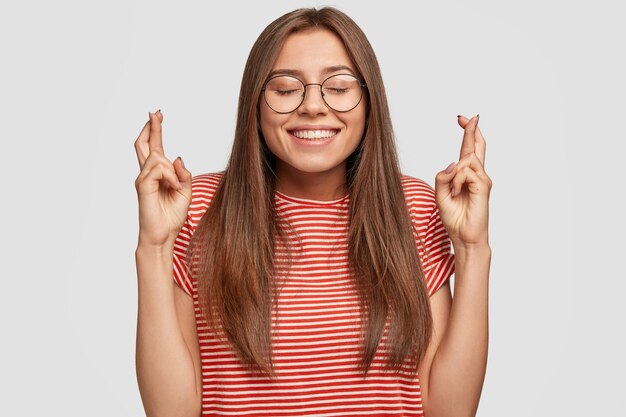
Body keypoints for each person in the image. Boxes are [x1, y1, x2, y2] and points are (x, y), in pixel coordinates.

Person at [134, 6, 492, 417]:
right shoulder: (197, 208)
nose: (313, 106)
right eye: (286, 89)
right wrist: (154, 247)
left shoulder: (413, 206)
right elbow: (170, 411)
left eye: (338, 87)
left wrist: (471, 247)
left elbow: (450, 410)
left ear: (369, 100)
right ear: (256, 103)